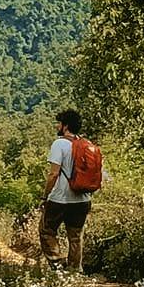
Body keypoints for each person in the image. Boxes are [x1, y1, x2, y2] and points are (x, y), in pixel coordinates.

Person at [38, 108, 102, 270]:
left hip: (60, 199)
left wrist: (45, 196)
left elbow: (53, 174)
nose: (56, 127)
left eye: (58, 123)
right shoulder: (87, 145)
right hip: (83, 200)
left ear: (65, 126)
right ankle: (74, 270)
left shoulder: (59, 144)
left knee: (46, 231)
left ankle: (58, 265)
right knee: (75, 237)